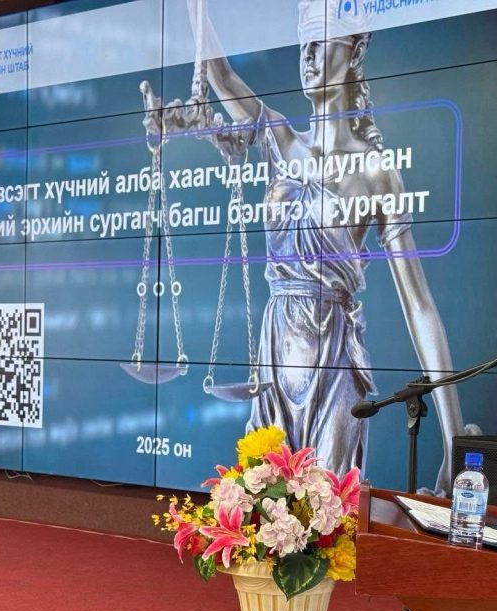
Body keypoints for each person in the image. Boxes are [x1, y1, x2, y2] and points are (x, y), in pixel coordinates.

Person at [142, 0, 466, 492]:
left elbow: (419, 305)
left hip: (335, 357)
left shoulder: (376, 173)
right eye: (303, 47)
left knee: (326, 506)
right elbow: (220, 75)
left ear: (354, 53)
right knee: (263, 504)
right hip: (276, 348)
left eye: (321, 44)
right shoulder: (279, 138)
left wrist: (454, 437)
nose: (308, 58)